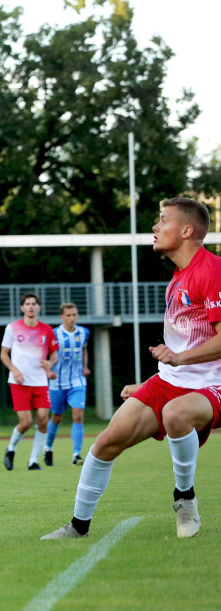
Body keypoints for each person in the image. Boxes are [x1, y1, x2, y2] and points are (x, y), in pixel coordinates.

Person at [43, 197, 221, 540]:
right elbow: (180, 348)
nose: (155, 227)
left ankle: (184, 497)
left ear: (186, 230)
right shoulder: (177, 278)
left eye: (162, 220)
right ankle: (78, 527)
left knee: (175, 414)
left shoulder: (212, 271)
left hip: (212, 383)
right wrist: (150, 381)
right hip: (172, 380)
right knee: (107, 442)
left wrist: (179, 359)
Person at [0, 293, 59, 471]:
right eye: (28, 304)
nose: (31, 307)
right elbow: (3, 354)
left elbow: (54, 355)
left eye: (34, 304)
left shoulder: (47, 330)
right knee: (25, 423)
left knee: (43, 419)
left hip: (40, 382)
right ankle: (10, 449)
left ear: (38, 308)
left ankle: (33, 461)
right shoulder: (12, 328)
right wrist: (15, 370)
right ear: (22, 308)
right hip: (19, 382)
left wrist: (50, 363)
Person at [43, 303, 91, 467]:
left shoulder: (84, 332)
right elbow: (47, 355)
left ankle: (76, 455)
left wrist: (84, 367)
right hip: (57, 382)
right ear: (61, 317)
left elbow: (84, 350)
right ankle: (48, 448)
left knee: (77, 414)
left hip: (77, 381)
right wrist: (49, 370)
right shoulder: (54, 334)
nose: (72, 318)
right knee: (56, 417)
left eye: (74, 315)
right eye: (68, 315)